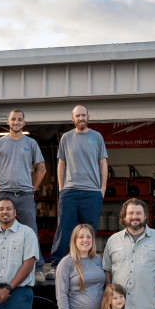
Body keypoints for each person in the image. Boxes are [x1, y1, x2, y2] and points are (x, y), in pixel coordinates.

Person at [0, 109, 48, 284]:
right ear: (8, 121)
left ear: (24, 122)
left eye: (20, 119)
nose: (16, 122)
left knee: (31, 232)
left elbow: (41, 169)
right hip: (5, 194)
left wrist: (33, 188)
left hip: (25, 195)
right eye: (13, 119)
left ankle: (37, 269)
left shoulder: (31, 143)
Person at [47, 105, 108, 278]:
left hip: (92, 192)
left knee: (89, 231)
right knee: (64, 228)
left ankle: (87, 264)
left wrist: (102, 189)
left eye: (83, 115)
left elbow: (103, 163)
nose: (80, 118)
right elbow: (61, 164)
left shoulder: (97, 137)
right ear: (72, 118)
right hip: (70, 191)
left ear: (88, 116)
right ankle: (56, 265)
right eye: (77, 116)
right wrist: (61, 189)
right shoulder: (66, 138)